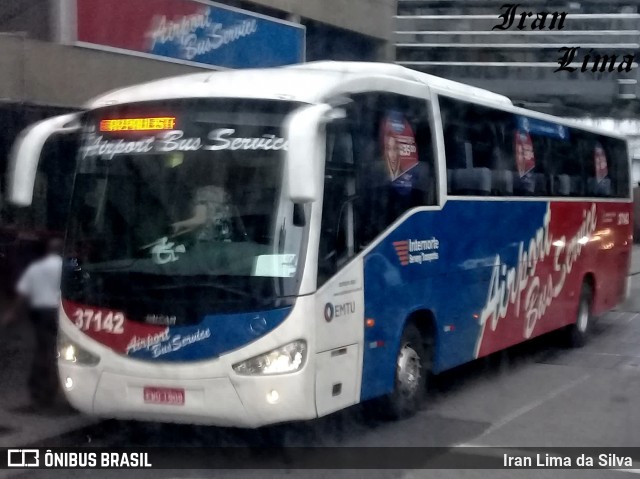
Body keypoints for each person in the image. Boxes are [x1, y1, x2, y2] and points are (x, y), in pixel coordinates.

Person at [2, 238, 64, 408]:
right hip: (60, 313)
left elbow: (23, 295)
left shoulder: (35, 268)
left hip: (40, 314)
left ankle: (40, 387)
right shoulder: (66, 267)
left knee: (43, 349)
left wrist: (11, 313)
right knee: (56, 350)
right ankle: (52, 386)